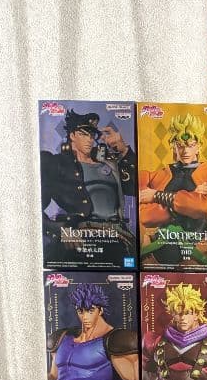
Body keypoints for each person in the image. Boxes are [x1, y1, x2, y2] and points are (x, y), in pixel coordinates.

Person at [41, 108, 136, 265]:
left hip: (118, 236)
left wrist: (123, 150)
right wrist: (61, 229)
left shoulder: (110, 163)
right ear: (72, 135)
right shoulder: (57, 164)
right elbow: (33, 208)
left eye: (92, 135)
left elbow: (134, 188)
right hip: (82, 235)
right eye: (84, 134)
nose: (90, 140)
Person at [139, 113, 207, 268]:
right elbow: (145, 217)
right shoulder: (151, 176)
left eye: (191, 145)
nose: (185, 151)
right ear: (173, 145)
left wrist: (157, 196)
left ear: (199, 145)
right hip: (153, 255)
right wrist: (194, 197)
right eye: (180, 145)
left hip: (196, 259)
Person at [48, 283, 139, 380]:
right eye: (80, 311)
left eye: (90, 310)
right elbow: (53, 377)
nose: (85, 316)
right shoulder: (61, 338)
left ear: (100, 310)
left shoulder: (114, 340)